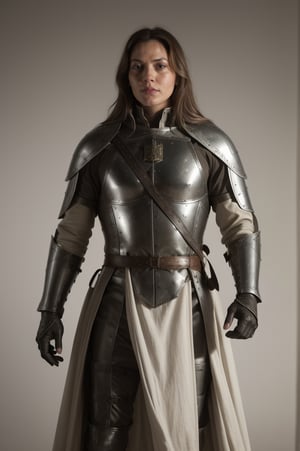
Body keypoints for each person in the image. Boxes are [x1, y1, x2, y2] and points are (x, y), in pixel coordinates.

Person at [36, 27, 261, 451]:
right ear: (126, 75)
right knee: (106, 424)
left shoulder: (210, 146)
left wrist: (248, 294)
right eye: (138, 67)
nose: (149, 77)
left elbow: (240, 226)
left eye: (160, 66)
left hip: (186, 304)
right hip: (115, 299)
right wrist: (50, 310)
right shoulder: (98, 148)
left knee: (186, 423)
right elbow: (70, 236)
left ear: (177, 74)